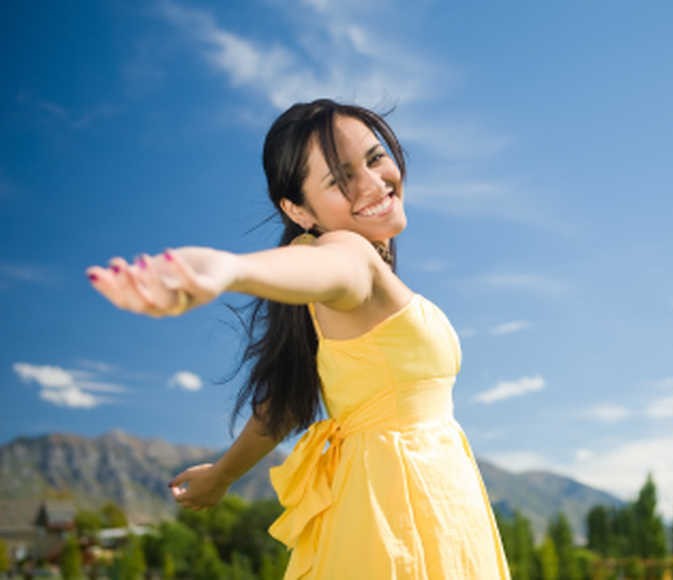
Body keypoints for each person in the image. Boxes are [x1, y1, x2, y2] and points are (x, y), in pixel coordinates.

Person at [84, 99, 511, 579]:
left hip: (421, 504)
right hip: (399, 519)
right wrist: (229, 269)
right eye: (340, 179)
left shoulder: (340, 287)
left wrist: (222, 475)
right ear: (297, 209)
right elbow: (333, 265)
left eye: (375, 158)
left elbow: (283, 403)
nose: (373, 183)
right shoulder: (347, 254)